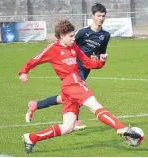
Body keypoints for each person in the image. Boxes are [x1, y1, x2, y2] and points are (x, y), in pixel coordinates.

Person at [19, 20, 142, 153]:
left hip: (70, 87)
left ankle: (31, 137)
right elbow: (34, 60)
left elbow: (87, 62)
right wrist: (23, 72)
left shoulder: (74, 47)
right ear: (61, 36)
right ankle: (121, 127)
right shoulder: (52, 48)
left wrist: (100, 62)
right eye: (71, 36)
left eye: (74, 35)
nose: (74, 39)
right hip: (72, 83)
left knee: (68, 127)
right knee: (95, 106)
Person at [25, 3, 111, 131]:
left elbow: (100, 52)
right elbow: (69, 45)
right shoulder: (83, 32)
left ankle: (35, 105)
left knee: (65, 97)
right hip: (75, 66)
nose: (101, 18)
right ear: (93, 16)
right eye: (99, 16)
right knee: (78, 93)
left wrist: (99, 59)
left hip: (87, 66)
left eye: (103, 16)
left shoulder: (105, 35)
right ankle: (74, 121)